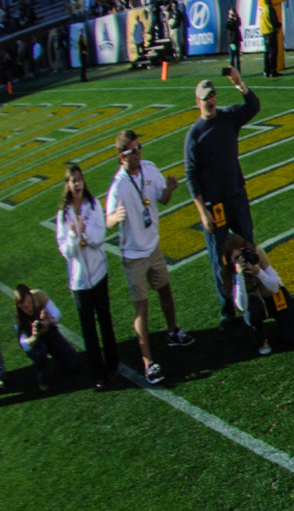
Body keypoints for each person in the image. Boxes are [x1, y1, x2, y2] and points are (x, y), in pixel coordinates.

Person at [104, 131, 186, 384]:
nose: (139, 152)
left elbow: (161, 198)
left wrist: (170, 189)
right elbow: (107, 219)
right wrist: (113, 220)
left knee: (165, 291)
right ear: (122, 157)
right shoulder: (118, 185)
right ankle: (148, 362)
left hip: (153, 246)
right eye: (133, 150)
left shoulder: (149, 169)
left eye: (140, 146)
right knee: (142, 308)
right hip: (133, 254)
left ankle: (172, 332)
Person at [183, 65, 261, 324]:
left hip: (236, 195)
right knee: (218, 257)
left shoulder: (228, 116)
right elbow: (191, 174)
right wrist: (201, 210)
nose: (210, 100)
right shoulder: (194, 135)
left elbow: (253, 107)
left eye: (213, 95)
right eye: (205, 97)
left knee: (248, 246)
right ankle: (226, 307)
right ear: (198, 102)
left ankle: (253, 293)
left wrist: (240, 83)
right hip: (213, 203)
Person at [53, 164, 115, 390]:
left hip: (99, 273)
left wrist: (84, 231)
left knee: (105, 320)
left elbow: (99, 238)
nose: (77, 183)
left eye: (79, 179)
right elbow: (66, 252)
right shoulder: (62, 214)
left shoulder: (93, 204)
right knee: (88, 329)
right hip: (79, 282)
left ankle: (112, 364)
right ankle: (98, 375)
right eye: (73, 180)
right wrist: (72, 234)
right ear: (67, 185)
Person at [13, 282, 78, 392]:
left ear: (31, 296)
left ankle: (62, 351)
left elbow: (57, 314)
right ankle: (42, 376)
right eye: (24, 307)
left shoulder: (39, 295)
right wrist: (34, 336)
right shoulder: (18, 319)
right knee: (39, 350)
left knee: (74, 364)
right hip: (35, 344)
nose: (28, 308)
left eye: (29, 302)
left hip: (48, 331)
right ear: (19, 307)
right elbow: (24, 345)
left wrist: (49, 320)